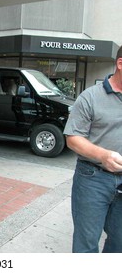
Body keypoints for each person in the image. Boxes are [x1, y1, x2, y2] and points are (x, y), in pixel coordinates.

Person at [63, 45, 122, 253]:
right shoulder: (90, 97)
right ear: (120, 64)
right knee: (86, 243)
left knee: (119, 243)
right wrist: (103, 155)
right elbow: (72, 138)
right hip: (93, 178)